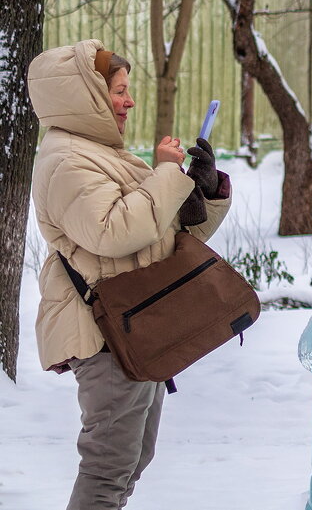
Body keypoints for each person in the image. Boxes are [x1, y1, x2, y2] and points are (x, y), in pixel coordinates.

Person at [27, 39, 232, 510]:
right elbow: (115, 233)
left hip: (137, 328)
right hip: (106, 334)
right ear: (87, 96)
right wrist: (165, 173)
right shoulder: (65, 162)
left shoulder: (103, 156)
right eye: (119, 91)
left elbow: (166, 239)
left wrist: (203, 190)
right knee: (107, 468)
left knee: (133, 459)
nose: (129, 101)